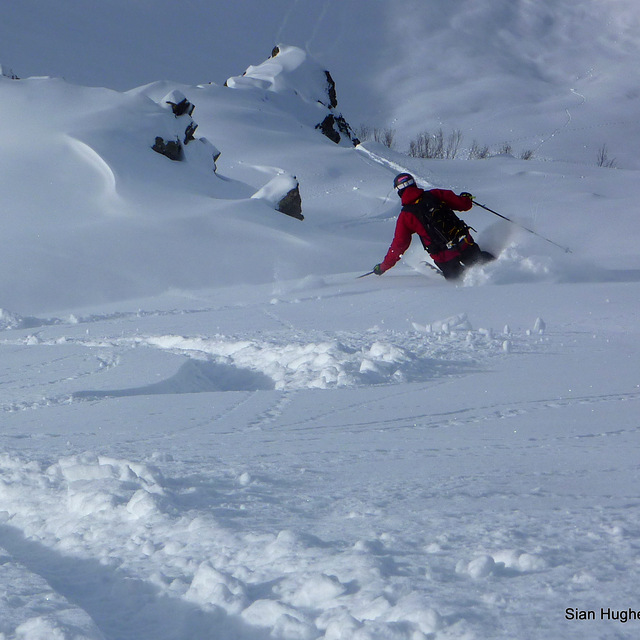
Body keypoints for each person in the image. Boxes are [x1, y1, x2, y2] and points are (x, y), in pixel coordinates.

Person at [373, 173, 495, 280]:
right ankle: (503, 268)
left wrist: (383, 267)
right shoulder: (435, 194)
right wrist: (466, 198)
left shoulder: (405, 216)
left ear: (399, 191)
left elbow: (398, 246)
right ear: (414, 184)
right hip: (464, 242)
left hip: (443, 256)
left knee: (458, 281)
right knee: (482, 264)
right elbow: (464, 205)